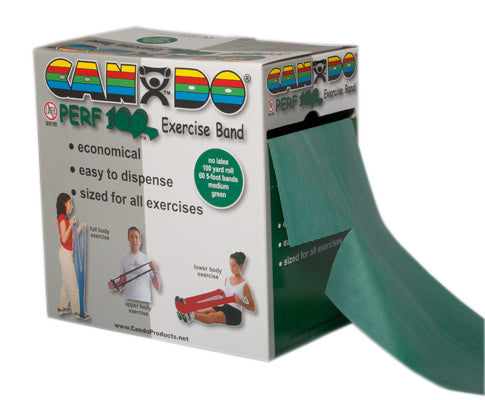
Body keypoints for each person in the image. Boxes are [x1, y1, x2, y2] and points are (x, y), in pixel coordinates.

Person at [177, 252, 255, 326]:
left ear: (240, 266)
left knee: (212, 316)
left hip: (235, 314)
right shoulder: (227, 280)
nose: (231, 268)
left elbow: (253, 308)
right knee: (205, 312)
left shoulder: (244, 285)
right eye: (230, 265)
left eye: (234, 266)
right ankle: (185, 310)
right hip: (225, 307)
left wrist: (240, 302)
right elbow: (227, 299)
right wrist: (223, 295)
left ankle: (190, 316)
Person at [56, 193, 89, 320]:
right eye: (70, 203)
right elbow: (64, 239)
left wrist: (79, 227)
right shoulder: (62, 219)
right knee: (73, 283)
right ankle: (79, 311)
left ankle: (62, 307)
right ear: (64, 204)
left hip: (67, 254)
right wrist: (70, 224)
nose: (71, 206)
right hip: (65, 254)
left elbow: (72, 238)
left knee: (66, 282)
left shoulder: (65, 219)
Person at [108, 227, 160, 303]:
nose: (134, 240)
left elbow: (157, 287)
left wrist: (155, 271)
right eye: (131, 236)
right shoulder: (124, 258)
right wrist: (114, 286)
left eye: (136, 237)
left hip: (144, 302)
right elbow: (122, 283)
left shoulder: (148, 260)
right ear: (128, 238)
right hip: (129, 302)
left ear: (140, 240)